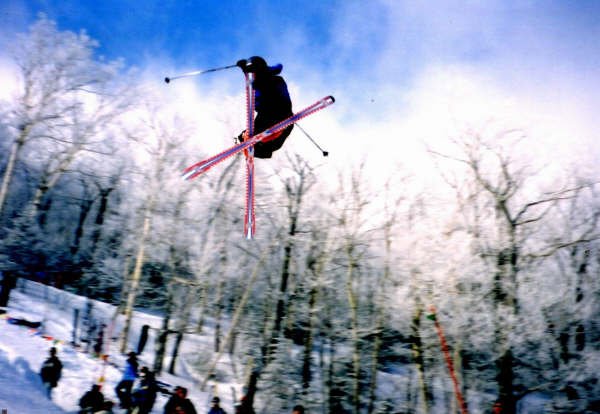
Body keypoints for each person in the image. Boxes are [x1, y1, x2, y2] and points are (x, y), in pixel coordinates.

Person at [236, 56, 294, 159]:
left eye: (254, 72)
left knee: (263, 139)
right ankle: (254, 146)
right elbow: (256, 83)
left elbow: (263, 83)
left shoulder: (274, 80)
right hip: (265, 115)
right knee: (244, 137)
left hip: (281, 116)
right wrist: (245, 71)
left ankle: (259, 146)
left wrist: (246, 71)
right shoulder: (257, 83)